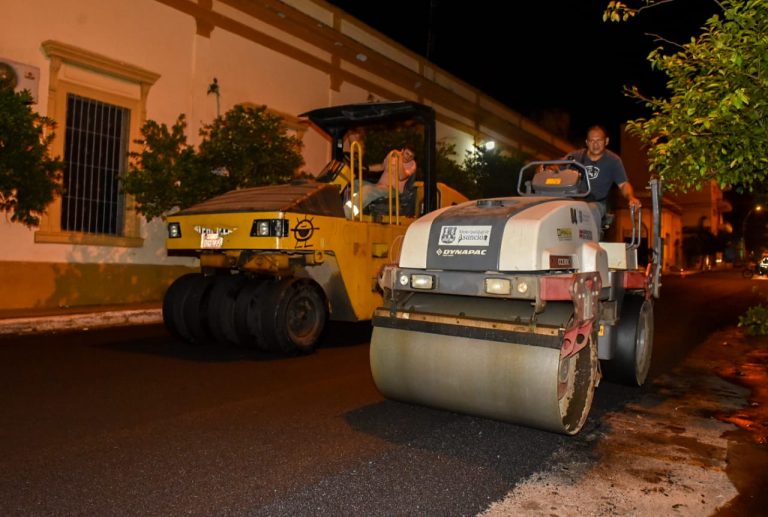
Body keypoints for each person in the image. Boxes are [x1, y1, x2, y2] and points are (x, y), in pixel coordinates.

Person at [564, 125, 641, 226]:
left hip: (597, 204)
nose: (595, 144)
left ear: (606, 141)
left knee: (587, 212)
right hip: (574, 201)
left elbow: (623, 185)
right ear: (587, 142)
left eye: (599, 140)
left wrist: (631, 198)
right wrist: (549, 167)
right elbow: (558, 164)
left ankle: (589, 238)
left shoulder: (614, 161)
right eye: (592, 141)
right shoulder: (575, 156)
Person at [345, 144, 417, 217]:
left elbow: (401, 176)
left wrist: (399, 159)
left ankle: (346, 214)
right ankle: (358, 212)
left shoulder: (412, 165)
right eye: (407, 153)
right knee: (356, 183)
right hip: (379, 186)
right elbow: (382, 166)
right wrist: (365, 168)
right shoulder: (392, 155)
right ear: (402, 151)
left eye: (411, 156)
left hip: (393, 190)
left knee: (367, 189)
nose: (408, 157)